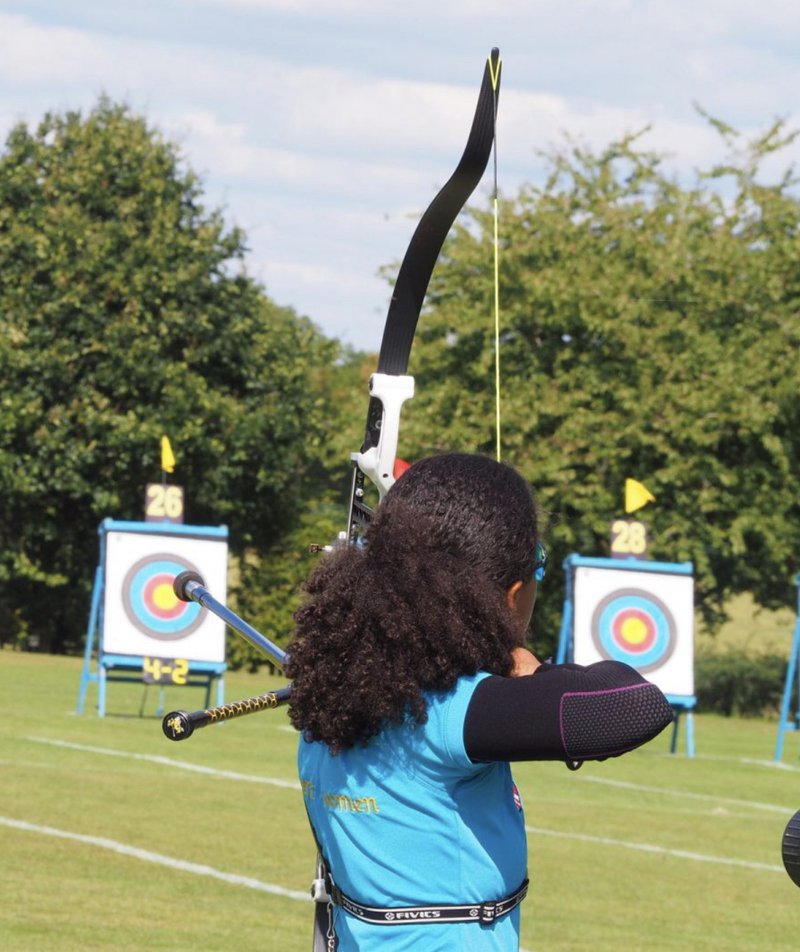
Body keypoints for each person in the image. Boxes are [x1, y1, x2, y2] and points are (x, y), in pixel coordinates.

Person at [286, 453, 673, 951]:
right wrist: (523, 666)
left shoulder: (335, 693)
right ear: (511, 594)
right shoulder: (449, 712)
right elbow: (636, 704)